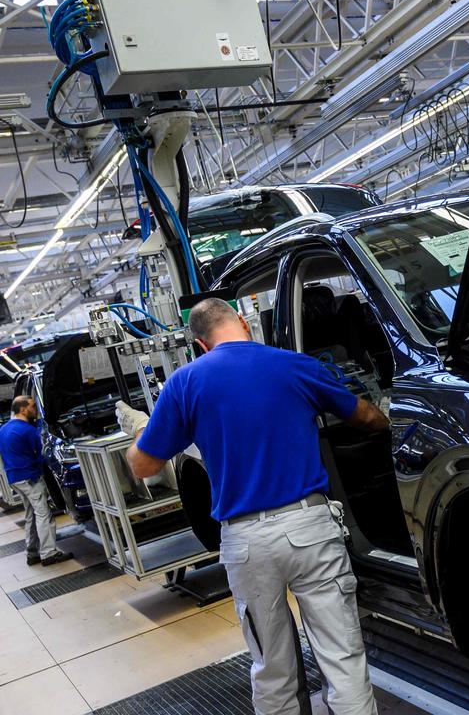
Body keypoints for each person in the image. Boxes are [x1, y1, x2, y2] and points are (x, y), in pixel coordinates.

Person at [118, 298, 390, 715]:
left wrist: (139, 427)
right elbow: (364, 417)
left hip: (245, 541)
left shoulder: (185, 382)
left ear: (199, 344)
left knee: (272, 668)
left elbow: (142, 465)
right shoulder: (293, 364)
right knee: (343, 660)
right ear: (243, 322)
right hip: (309, 527)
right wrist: (391, 416)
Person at [0, 396, 73, 567]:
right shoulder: (27, 430)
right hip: (30, 477)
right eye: (32, 406)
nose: (35, 410)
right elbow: (41, 454)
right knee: (43, 514)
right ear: (23, 410)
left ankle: (32, 553)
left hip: (15, 478)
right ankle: (49, 553)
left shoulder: (3, 429)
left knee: (31, 515)